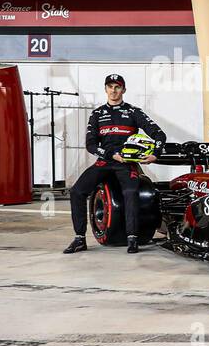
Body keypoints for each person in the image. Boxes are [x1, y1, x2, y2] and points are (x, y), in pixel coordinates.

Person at [65, 75, 167, 256]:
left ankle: (132, 238)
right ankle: (80, 239)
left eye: (117, 87)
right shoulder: (97, 114)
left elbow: (159, 134)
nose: (114, 90)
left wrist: (154, 154)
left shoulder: (134, 112)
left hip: (126, 163)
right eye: (110, 87)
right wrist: (111, 154)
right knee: (77, 191)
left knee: (131, 192)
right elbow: (91, 145)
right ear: (106, 89)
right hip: (105, 161)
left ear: (124, 90)